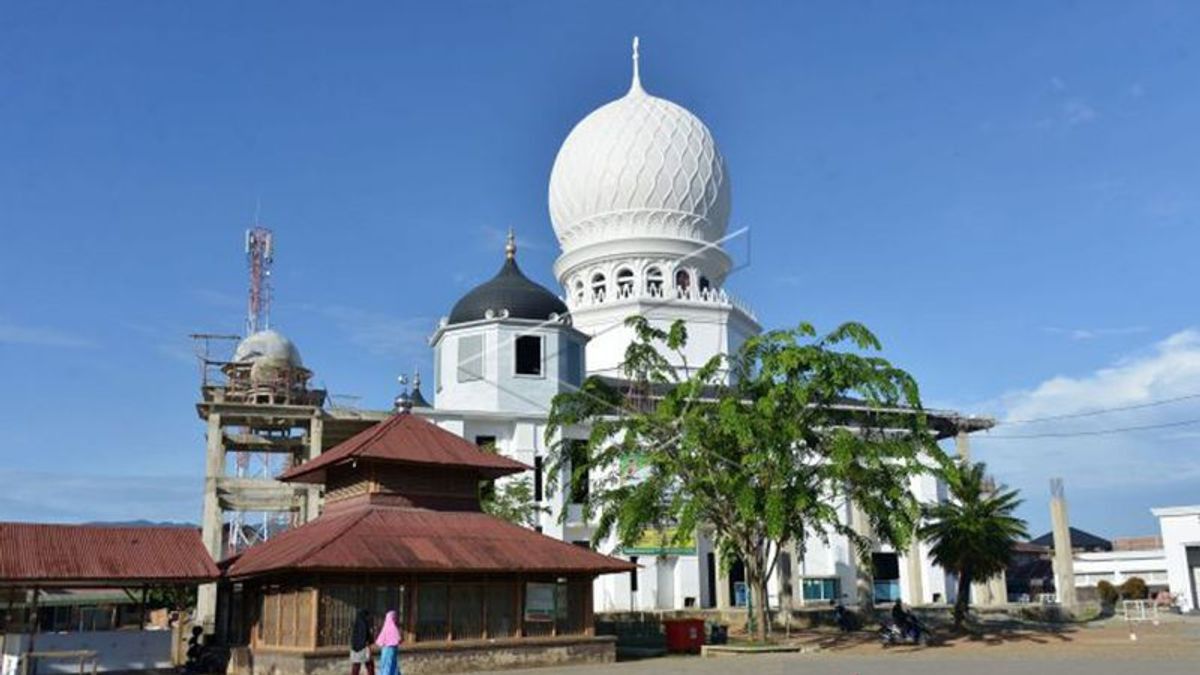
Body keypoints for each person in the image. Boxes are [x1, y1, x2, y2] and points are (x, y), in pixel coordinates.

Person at [375, 610, 402, 675]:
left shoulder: (385, 627)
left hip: (384, 650)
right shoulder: (393, 627)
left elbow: (380, 641)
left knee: (385, 664)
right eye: (395, 618)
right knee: (391, 664)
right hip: (391, 649)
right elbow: (399, 639)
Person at [349, 609, 374, 675]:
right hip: (364, 647)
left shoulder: (356, 624)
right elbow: (366, 636)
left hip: (355, 648)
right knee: (369, 665)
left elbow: (354, 637)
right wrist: (370, 641)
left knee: (356, 665)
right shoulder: (364, 624)